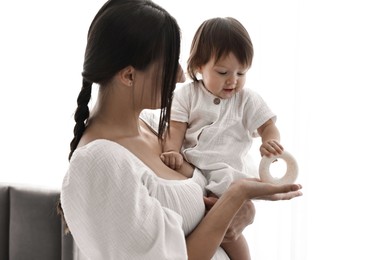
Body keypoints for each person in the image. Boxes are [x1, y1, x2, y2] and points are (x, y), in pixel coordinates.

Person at [58, 1, 303, 259]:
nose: (181, 77)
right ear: (129, 76)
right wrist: (237, 194)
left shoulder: (156, 130)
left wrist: (243, 210)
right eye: (170, 64)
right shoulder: (99, 163)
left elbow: (208, 194)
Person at [160, 17, 285, 259]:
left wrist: (271, 141)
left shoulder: (247, 100)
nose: (233, 80)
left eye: (241, 72)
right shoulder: (187, 95)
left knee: (231, 235)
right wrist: (173, 151)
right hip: (194, 175)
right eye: (223, 72)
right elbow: (175, 129)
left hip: (228, 179)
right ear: (199, 67)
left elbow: (268, 126)